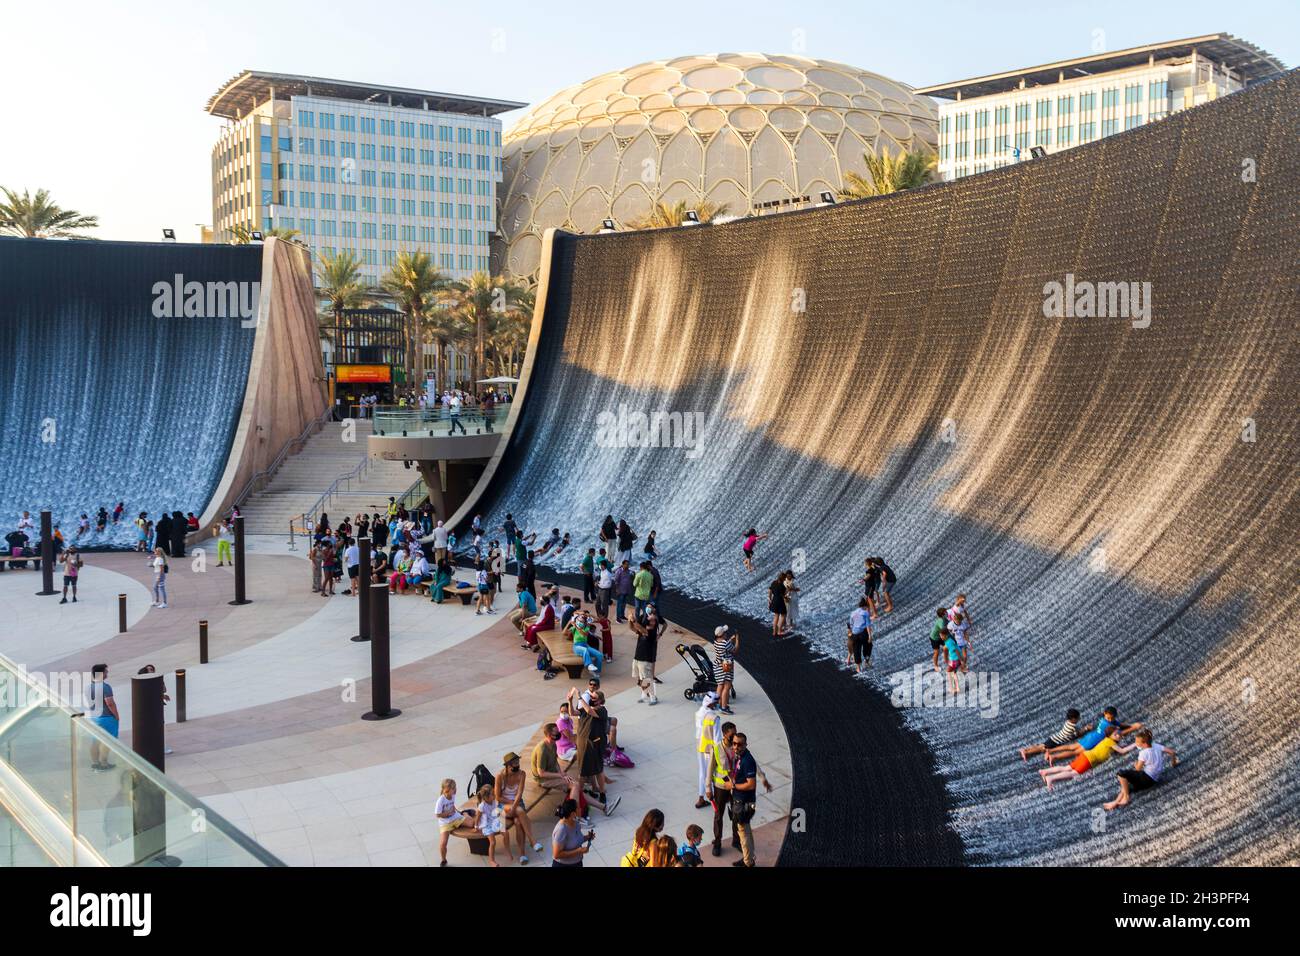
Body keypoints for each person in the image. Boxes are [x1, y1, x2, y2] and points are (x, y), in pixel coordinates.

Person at [1039, 724, 1133, 791]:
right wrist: (1135, 744)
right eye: (1115, 734)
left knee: (1067, 767)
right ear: (1110, 736)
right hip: (1089, 759)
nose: (1119, 735)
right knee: (1074, 773)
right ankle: (1051, 778)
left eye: (1119, 733)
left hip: (1085, 755)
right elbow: (1122, 751)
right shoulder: (1111, 742)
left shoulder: (1107, 740)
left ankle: (1045, 771)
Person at [1104, 730, 1178, 811]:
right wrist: (1174, 763)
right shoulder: (1156, 745)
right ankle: (1114, 803)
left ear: (1144, 744)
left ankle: (1126, 798)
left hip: (1146, 778)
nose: (1136, 743)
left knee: (1121, 774)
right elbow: (1172, 752)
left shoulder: (1143, 753)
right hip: (1154, 779)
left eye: (1137, 742)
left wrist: (1136, 764)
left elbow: (1137, 769)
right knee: (1125, 786)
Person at [1044, 707, 1143, 763]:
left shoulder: (1104, 720)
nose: (1110, 720)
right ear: (1104, 714)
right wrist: (1133, 728)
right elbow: (1120, 732)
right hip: (1093, 740)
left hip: (1091, 736)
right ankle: (1054, 757)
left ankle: (1050, 750)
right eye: (1108, 718)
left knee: (1071, 746)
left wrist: (1131, 725)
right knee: (1075, 752)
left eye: (1111, 718)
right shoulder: (1107, 724)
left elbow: (1119, 724)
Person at [728, 732, 761, 866]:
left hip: (745, 802)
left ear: (745, 745)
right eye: (734, 743)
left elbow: (751, 784)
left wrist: (733, 785)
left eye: (739, 744)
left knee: (743, 831)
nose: (736, 746)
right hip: (744, 801)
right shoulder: (740, 757)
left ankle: (748, 862)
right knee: (746, 829)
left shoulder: (747, 760)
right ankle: (749, 858)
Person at [435, 778, 479, 866]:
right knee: (443, 843)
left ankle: (465, 813)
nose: (455, 790)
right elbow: (437, 815)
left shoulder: (453, 795)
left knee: (471, 824)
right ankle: (444, 860)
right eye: (453, 788)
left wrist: (457, 812)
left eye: (455, 787)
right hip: (446, 823)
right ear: (447, 790)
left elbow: (452, 804)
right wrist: (447, 813)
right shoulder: (440, 800)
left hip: (455, 817)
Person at [1018, 708, 1088, 762]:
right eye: (1078, 718)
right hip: (1055, 741)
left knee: (1041, 745)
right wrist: (1085, 729)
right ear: (1073, 719)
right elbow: (1077, 734)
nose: (1079, 719)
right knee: (1042, 749)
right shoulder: (1072, 728)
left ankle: (1026, 749)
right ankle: (1026, 752)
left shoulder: (1067, 722)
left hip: (1054, 737)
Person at [86, 664, 119, 771]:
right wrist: (116, 715)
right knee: (107, 741)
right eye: (106, 672)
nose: (107, 673)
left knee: (95, 741)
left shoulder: (88, 687)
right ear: (101, 673)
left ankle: (95, 763)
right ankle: (104, 763)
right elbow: (110, 703)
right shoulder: (105, 687)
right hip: (107, 718)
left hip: (94, 718)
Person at [632, 604, 665, 705]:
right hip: (638, 656)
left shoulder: (649, 632)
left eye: (652, 620)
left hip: (645, 658)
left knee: (646, 679)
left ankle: (653, 697)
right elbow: (634, 628)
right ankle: (644, 694)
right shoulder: (644, 625)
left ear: (654, 623)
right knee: (641, 679)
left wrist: (633, 621)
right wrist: (630, 621)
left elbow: (640, 627)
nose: (650, 620)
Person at [695, 692, 723, 808]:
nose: (717, 704)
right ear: (711, 704)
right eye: (716, 702)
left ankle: (701, 798)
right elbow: (717, 738)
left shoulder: (699, 713)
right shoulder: (714, 718)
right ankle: (715, 798)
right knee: (713, 773)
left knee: (703, 773)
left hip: (700, 747)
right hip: (710, 749)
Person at [474, 784, 509, 867]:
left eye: (494, 793)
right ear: (485, 798)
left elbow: (499, 809)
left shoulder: (494, 801)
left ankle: (507, 849)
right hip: (487, 825)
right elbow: (478, 817)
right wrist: (476, 827)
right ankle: (492, 861)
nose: (494, 795)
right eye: (492, 794)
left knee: (506, 833)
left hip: (495, 821)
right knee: (493, 842)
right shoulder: (482, 806)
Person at [551, 799, 593, 868]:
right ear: (573, 814)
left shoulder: (576, 823)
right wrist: (578, 851)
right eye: (578, 808)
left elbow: (575, 840)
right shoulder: (561, 830)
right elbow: (556, 854)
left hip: (577, 863)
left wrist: (587, 837)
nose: (580, 809)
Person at [712, 625, 738, 714]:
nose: (726, 633)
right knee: (727, 686)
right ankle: (724, 707)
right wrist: (737, 640)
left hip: (718, 666)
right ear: (722, 634)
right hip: (726, 665)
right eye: (725, 632)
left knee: (720, 686)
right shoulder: (725, 643)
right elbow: (735, 650)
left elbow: (724, 645)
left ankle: (717, 703)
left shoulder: (716, 642)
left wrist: (730, 640)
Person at [846, 597, 873, 672]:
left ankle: (858, 667)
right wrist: (870, 636)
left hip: (855, 633)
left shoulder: (853, 613)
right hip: (863, 633)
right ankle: (867, 662)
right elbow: (868, 625)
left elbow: (850, 625)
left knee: (856, 649)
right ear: (865, 606)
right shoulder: (865, 613)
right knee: (868, 646)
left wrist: (850, 633)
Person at [768, 573, 788, 637]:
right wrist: (788, 590)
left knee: (776, 615)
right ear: (783, 579)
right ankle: (779, 631)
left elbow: (770, 590)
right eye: (785, 578)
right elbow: (784, 595)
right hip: (780, 602)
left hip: (774, 601)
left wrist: (769, 599)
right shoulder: (782, 586)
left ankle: (774, 632)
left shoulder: (773, 583)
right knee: (783, 615)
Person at [612, 559, 633, 623]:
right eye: (626, 564)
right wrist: (617, 589)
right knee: (619, 604)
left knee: (624, 604)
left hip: (626, 590)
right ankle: (618, 618)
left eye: (628, 564)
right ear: (623, 564)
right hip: (620, 591)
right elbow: (616, 581)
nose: (627, 565)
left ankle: (622, 615)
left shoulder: (628, 571)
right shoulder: (619, 571)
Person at [929, 607, 948, 672]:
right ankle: (935, 666)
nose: (947, 613)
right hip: (935, 638)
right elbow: (943, 631)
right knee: (936, 652)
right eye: (945, 612)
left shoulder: (944, 619)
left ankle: (947, 660)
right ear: (942, 614)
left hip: (940, 637)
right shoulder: (941, 621)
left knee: (947, 646)